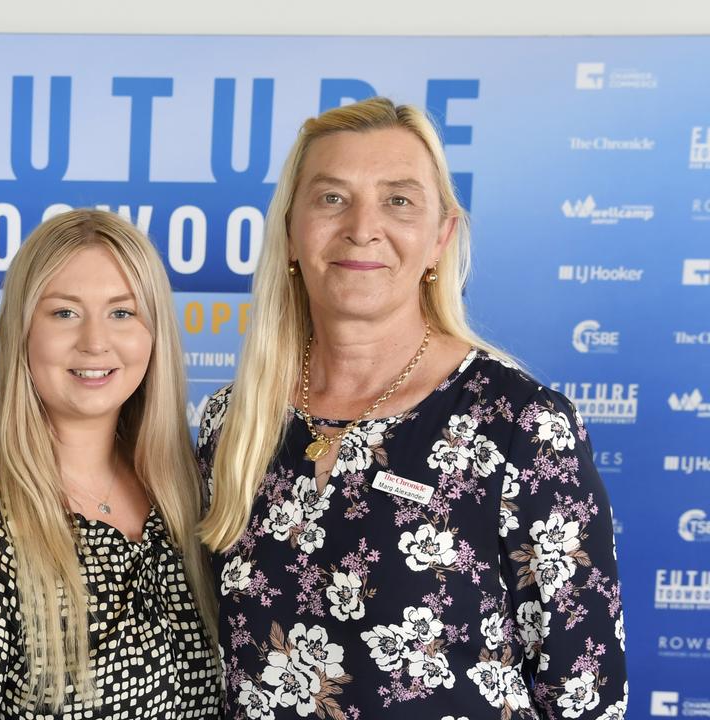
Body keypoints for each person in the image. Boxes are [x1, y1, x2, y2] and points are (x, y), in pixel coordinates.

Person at [198, 98, 626, 719]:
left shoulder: (521, 426)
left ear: (439, 239)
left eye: (398, 200)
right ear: (291, 232)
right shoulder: (231, 422)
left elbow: (584, 693)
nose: (362, 227)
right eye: (331, 198)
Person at [0, 209, 220, 719]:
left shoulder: (184, 490)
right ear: (22, 331)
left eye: (122, 312)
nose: (94, 341)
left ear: (155, 334)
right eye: (64, 313)